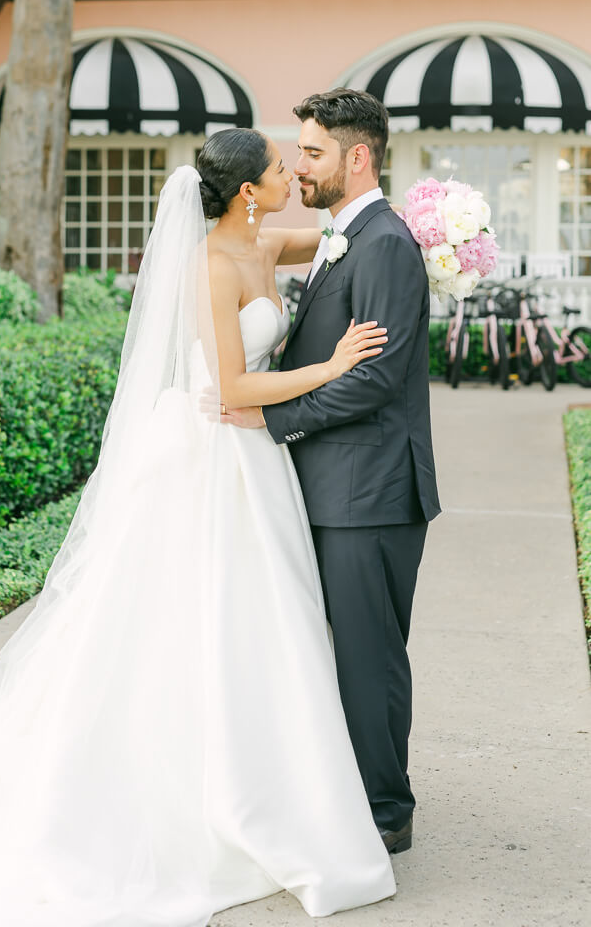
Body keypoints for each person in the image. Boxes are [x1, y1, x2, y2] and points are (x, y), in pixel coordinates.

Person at [0, 126, 397, 927]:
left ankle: (267, 771)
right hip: (208, 455)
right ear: (249, 190)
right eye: (283, 169)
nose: (294, 175)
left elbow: (344, 235)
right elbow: (232, 381)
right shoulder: (211, 263)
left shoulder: (266, 239)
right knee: (190, 616)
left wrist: (427, 226)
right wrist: (332, 364)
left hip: (254, 464)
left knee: (262, 621)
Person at [222, 89, 441, 856]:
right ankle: (344, 791)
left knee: (368, 655)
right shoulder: (341, 235)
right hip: (331, 487)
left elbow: (375, 380)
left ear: (357, 156)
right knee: (327, 654)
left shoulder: (380, 242)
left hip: (370, 493)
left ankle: (385, 813)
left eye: (311, 152)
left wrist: (272, 420)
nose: (300, 165)